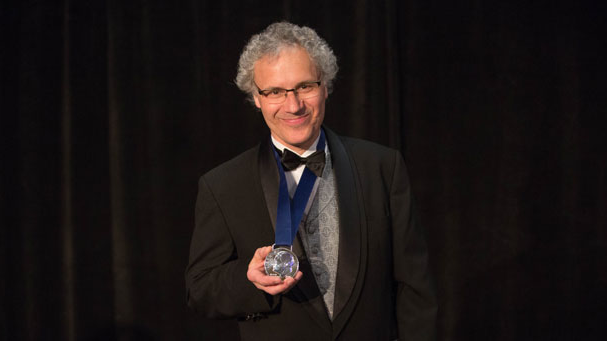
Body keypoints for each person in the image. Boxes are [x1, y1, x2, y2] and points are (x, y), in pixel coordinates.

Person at [185, 22, 437, 340]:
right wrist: (248, 279)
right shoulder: (221, 185)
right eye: (275, 91)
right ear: (256, 97)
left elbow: (415, 290)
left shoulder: (382, 167)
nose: (294, 106)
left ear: (325, 85)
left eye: (305, 86)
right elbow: (200, 290)